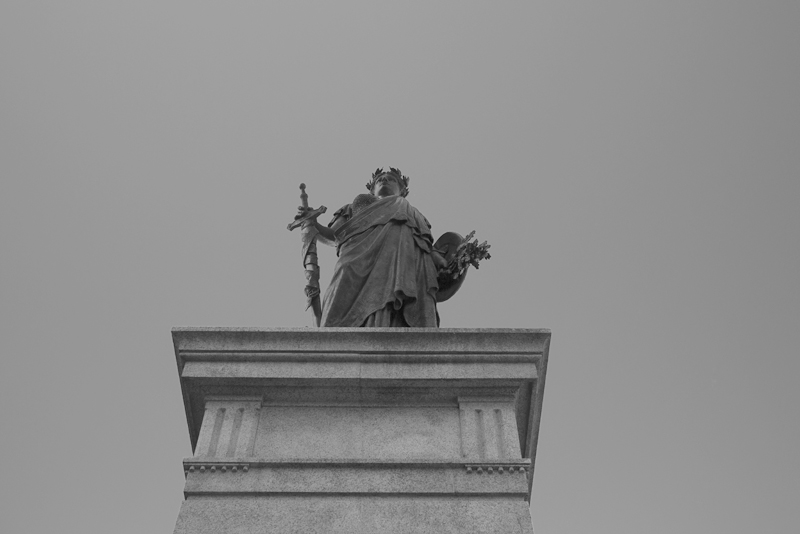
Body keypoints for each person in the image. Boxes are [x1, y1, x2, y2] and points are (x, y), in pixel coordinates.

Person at [297, 168, 447, 327]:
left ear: (403, 190)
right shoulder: (353, 206)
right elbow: (334, 234)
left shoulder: (411, 211)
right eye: (380, 179)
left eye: (391, 179)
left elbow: (424, 244)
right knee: (344, 279)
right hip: (356, 258)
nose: (385, 180)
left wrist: (441, 260)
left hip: (401, 264)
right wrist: (313, 223)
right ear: (371, 188)